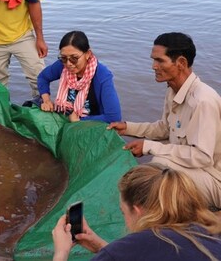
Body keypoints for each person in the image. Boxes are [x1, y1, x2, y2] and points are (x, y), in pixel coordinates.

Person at [108, 32, 221, 210]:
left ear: (181, 63)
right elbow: (164, 129)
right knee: (156, 166)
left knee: (161, 166)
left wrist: (149, 147)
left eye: (160, 61)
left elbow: (202, 157)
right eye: (154, 60)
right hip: (196, 171)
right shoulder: (173, 90)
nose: (154, 66)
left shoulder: (203, 101)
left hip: (214, 179)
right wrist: (128, 128)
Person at [52, 163, 221, 260]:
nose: (124, 218)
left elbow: (140, 250)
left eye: (123, 212)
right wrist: (101, 246)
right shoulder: (210, 234)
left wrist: (62, 251)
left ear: (138, 211)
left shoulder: (126, 250)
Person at [37, 31, 121, 123]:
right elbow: (43, 77)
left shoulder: (102, 76)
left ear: (87, 54)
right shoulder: (62, 66)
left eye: (74, 58)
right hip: (66, 115)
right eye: (64, 58)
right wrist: (46, 100)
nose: (69, 64)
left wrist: (79, 120)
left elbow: (114, 117)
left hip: (89, 123)